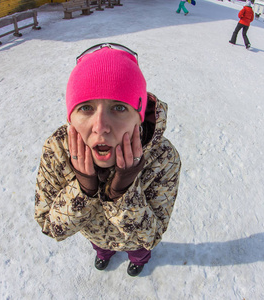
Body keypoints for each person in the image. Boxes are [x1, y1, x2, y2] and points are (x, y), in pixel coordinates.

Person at [34, 43, 181, 277]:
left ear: (139, 117)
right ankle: (103, 254)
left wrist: (123, 192)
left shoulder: (163, 158)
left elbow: (152, 236)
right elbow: (50, 227)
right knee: (101, 248)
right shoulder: (57, 150)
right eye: (86, 108)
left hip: (135, 243)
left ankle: (138, 261)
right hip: (96, 236)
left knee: (140, 252)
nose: (100, 127)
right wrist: (83, 189)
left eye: (119, 107)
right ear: (71, 117)